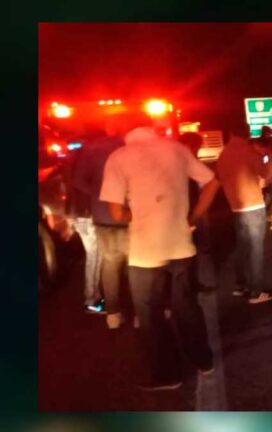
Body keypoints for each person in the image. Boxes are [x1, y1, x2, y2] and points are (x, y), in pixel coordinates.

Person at [100, 119, 220, 390]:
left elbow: (116, 212)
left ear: (123, 131)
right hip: (180, 243)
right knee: (186, 305)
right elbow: (212, 183)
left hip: (145, 250)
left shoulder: (119, 157)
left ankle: (168, 375)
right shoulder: (176, 149)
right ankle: (204, 361)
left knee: (151, 314)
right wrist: (193, 216)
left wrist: (138, 214)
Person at [72, 115, 131, 328]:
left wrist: (98, 194)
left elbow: (78, 181)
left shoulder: (90, 149)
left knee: (109, 264)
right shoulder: (128, 147)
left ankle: (113, 314)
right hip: (128, 214)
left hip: (101, 216)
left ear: (107, 128)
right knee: (134, 265)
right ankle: (138, 312)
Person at [217, 123, 272, 304]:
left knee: (242, 248)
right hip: (253, 206)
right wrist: (269, 157)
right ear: (248, 132)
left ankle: (240, 286)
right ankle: (256, 292)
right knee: (255, 250)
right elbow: (266, 174)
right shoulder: (249, 152)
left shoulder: (223, 154)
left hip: (235, 207)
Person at [179, 132, 217, 292]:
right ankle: (187, 288)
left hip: (185, 212)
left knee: (190, 252)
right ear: (190, 145)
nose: (198, 150)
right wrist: (196, 214)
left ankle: (192, 285)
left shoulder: (178, 160)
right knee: (187, 253)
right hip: (185, 213)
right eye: (198, 147)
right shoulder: (185, 161)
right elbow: (212, 182)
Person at [69, 143, 103, 314]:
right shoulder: (86, 175)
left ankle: (94, 296)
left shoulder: (71, 171)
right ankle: (91, 299)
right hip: (88, 218)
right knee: (95, 257)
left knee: (94, 257)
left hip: (79, 218)